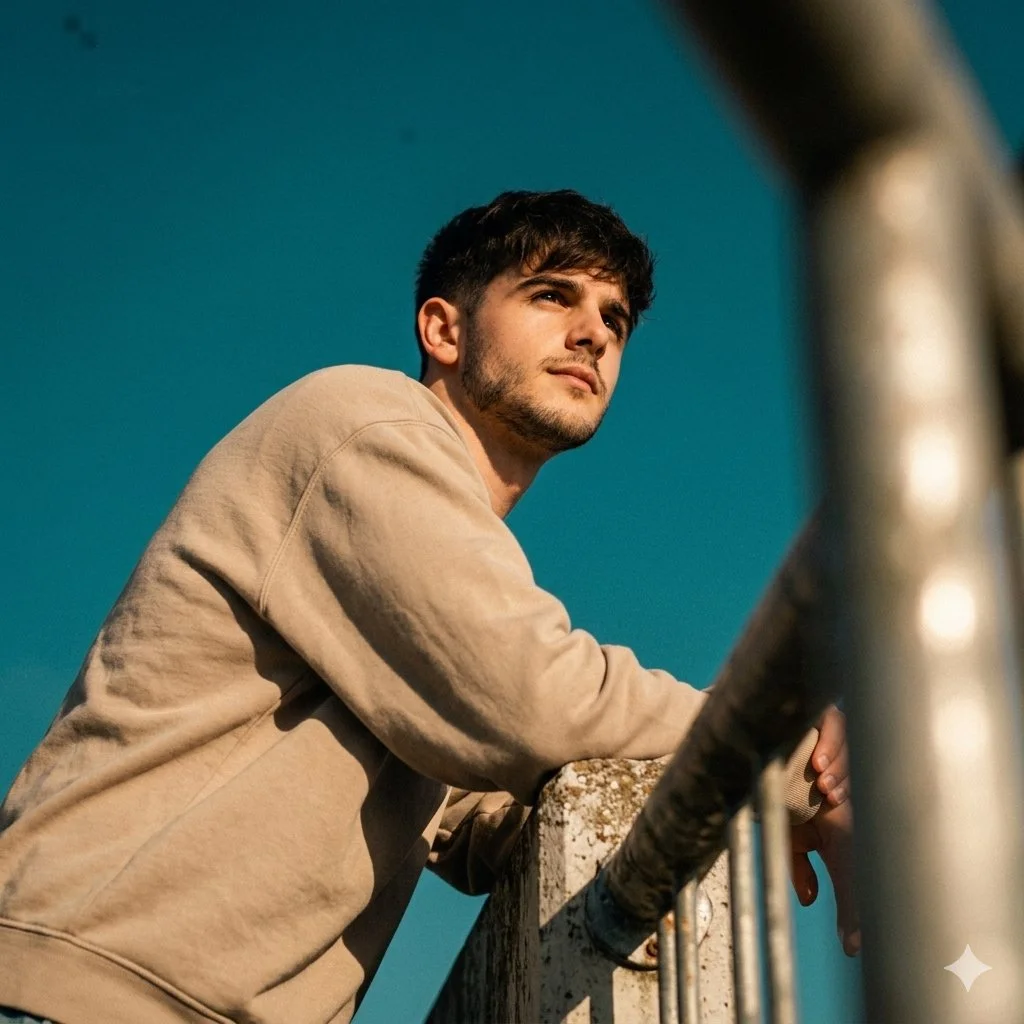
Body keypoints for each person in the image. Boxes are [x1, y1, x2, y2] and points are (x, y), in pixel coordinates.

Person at [0, 190, 855, 1024]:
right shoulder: (360, 425)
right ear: (444, 329)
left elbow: (491, 817)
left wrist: (710, 812)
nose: (593, 331)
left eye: (615, 318)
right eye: (552, 295)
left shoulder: (427, 579)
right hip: (80, 987)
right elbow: (532, 698)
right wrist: (793, 767)